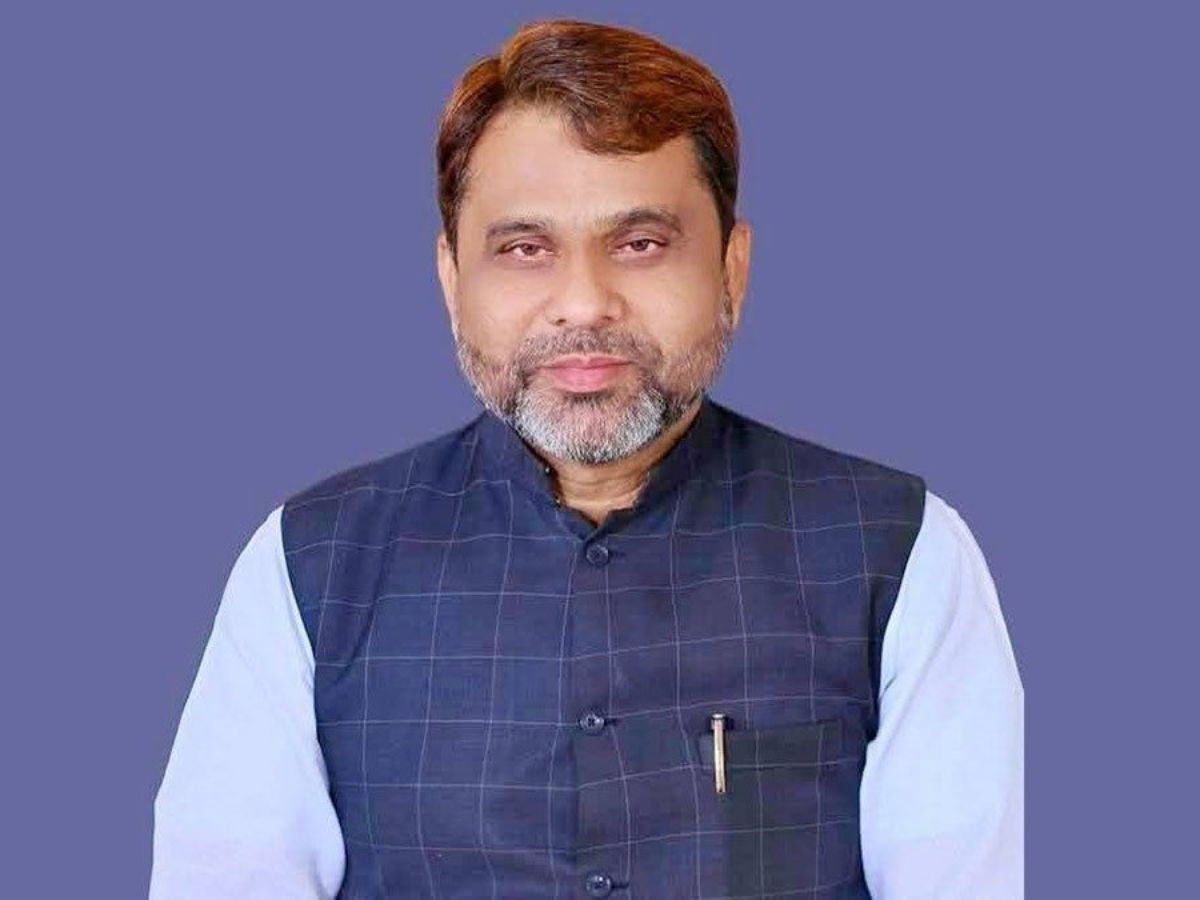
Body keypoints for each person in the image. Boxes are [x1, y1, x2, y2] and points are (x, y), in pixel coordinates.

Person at [150, 17, 1023, 899]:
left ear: (732, 269)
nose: (583, 303)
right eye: (525, 249)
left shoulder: (897, 555)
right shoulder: (313, 565)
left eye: (640, 244)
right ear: (452, 278)